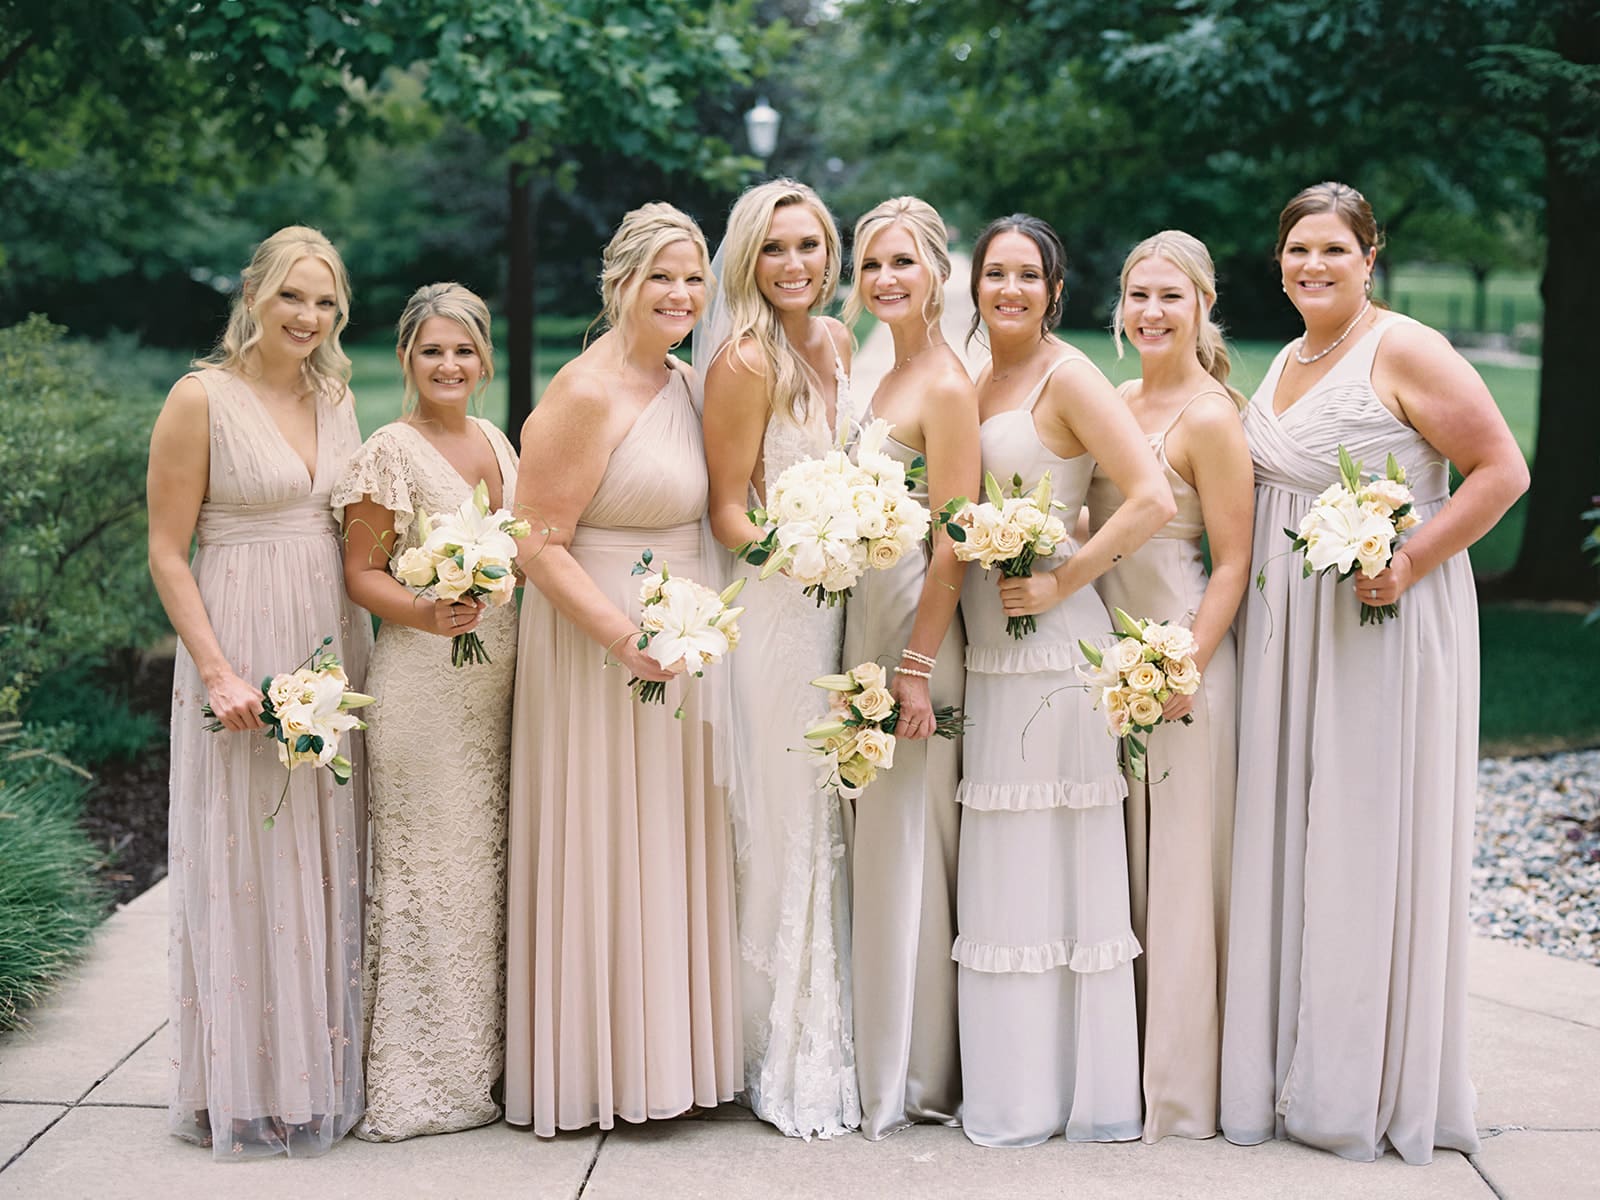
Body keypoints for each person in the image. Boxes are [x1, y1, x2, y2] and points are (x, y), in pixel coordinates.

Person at [1221, 181, 1529, 1164]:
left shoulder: (1401, 347)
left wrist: (1405, 562)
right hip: (1291, 632)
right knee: (1297, 836)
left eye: (1332, 251)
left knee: (1360, 840)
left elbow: (1500, 471)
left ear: (1370, 256)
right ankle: (1294, 1062)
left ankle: (1361, 1086)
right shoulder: (1287, 358)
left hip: (1379, 623)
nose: (1312, 266)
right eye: (1295, 251)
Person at [503, 203, 740, 1136]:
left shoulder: (687, 382)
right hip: (595, 643)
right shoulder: (587, 389)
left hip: (684, 642)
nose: (680, 294)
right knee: (605, 837)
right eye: (662, 278)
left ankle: (674, 1059)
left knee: (671, 837)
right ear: (621, 286)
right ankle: (597, 1065)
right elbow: (535, 539)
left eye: (692, 279)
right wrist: (619, 636)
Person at [147, 225, 371, 1159]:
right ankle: (236, 1087)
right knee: (245, 849)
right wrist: (217, 670)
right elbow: (167, 549)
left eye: (324, 302)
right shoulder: (200, 398)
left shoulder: (338, 395)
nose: (308, 317)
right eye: (292, 297)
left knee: (321, 850)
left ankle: (308, 1078)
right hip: (240, 636)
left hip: (328, 639)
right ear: (255, 295)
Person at [954, 214, 1174, 1148]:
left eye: (1027, 276)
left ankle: (1075, 1092)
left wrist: (1059, 579)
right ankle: (1009, 1088)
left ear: (1054, 288)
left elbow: (1152, 497)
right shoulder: (973, 377)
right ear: (976, 286)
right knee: (1005, 859)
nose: (1009, 289)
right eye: (995, 273)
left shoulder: (1069, 376)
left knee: (1058, 861)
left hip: (1057, 653)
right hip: (991, 652)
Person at [332, 283, 518, 1140]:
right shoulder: (388, 451)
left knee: (491, 874)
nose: (450, 365)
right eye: (432, 350)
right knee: (429, 879)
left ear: (484, 360)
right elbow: (363, 574)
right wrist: (428, 610)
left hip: (501, 684)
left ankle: (492, 1066)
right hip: (425, 686)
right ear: (406, 356)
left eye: (465, 350)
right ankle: (421, 1084)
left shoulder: (495, 439)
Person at [699, 178, 860, 1139]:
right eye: (774, 249)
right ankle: (762, 1040)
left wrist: (857, 538)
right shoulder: (745, 358)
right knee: (780, 812)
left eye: (807, 245)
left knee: (824, 807)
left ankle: (822, 1020)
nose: (794, 264)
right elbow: (728, 507)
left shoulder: (835, 343)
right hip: (775, 608)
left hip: (837, 609)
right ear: (747, 260)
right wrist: (803, 551)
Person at [1085, 230, 1253, 1142]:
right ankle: (1122, 1067)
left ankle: (1183, 1089)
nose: (1152, 312)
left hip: (1183, 659)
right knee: (1126, 874)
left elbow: (1231, 561)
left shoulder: (1212, 416)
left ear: (1202, 307)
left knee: (1181, 876)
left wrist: (1183, 665)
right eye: (1139, 295)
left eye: (1171, 298)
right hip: (1106, 663)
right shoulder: (1113, 399)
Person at [837, 196, 979, 1139]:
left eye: (904, 263)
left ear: (937, 271)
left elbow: (957, 538)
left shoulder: (947, 385)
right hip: (858, 614)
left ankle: (916, 1071)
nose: (887, 279)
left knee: (912, 845)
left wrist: (917, 667)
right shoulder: (871, 369)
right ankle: (862, 1048)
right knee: (869, 841)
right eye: (873, 264)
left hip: (912, 630)